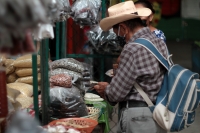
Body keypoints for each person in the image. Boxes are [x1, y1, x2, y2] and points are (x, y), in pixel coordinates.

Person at [93, 1, 168, 133]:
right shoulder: (158, 42)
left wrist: (107, 89)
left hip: (139, 118)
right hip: (159, 112)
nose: (117, 36)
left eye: (116, 31)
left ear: (123, 27)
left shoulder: (132, 49)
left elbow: (116, 94)